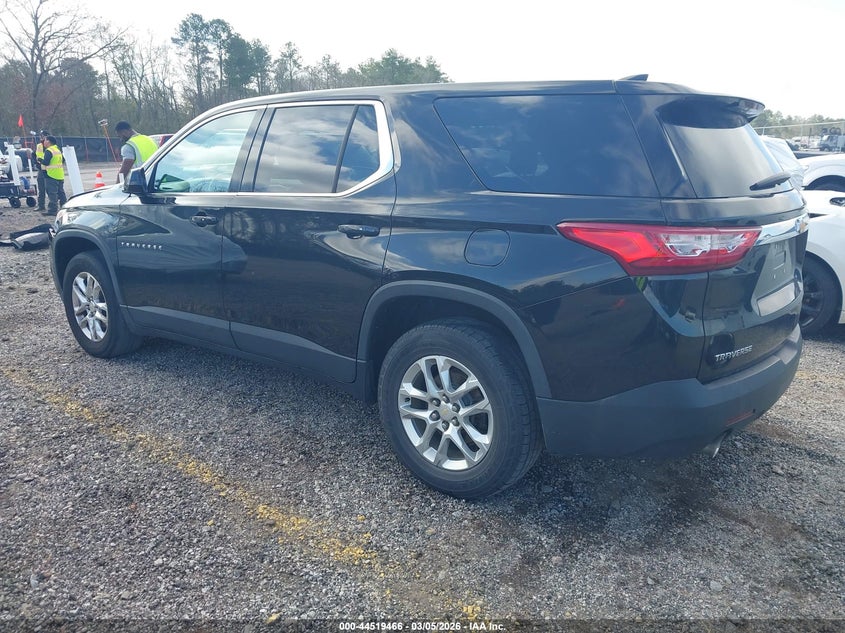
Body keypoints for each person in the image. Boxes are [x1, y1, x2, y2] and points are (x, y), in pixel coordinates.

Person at [41, 135, 66, 215]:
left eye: (44, 140)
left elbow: (46, 162)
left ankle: (52, 210)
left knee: (52, 193)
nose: (43, 142)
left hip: (51, 175)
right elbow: (63, 160)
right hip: (59, 174)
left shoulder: (49, 150)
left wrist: (39, 160)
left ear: (48, 141)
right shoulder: (57, 150)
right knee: (61, 193)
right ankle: (65, 208)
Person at [34, 130, 49, 211]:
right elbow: (34, 154)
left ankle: (53, 206)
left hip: (49, 170)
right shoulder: (39, 145)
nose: (41, 137)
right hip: (41, 169)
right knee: (41, 188)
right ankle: (41, 205)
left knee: (51, 189)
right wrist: (36, 164)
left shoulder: (51, 146)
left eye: (42, 136)